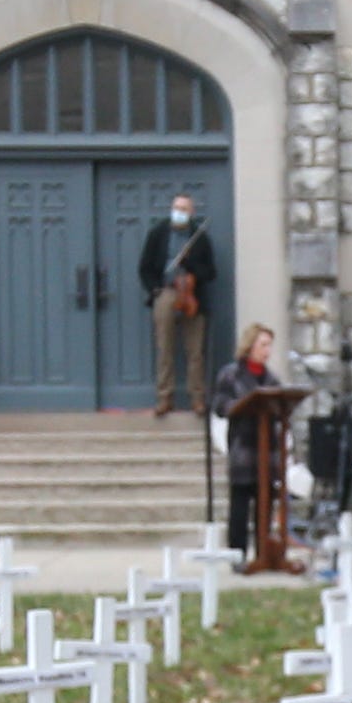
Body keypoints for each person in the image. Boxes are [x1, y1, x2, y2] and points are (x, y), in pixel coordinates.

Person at [137, 190, 218, 416]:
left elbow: (211, 272)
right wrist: (155, 290)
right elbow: (145, 267)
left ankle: (198, 399)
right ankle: (165, 398)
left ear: (191, 212)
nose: (179, 213)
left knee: (195, 351)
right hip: (167, 292)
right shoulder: (158, 233)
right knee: (165, 347)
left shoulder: (199, 237)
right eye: (176, 208)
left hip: (192, 295)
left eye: (184, 209)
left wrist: (191, 266)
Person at [209, 322, 281, 560]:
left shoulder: (271, 379)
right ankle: (237, 555)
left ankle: (263, 553)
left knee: (265, 503)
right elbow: (220, 405)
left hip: (266, 451)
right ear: (250, 345)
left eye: (270, 345)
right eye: (263, 344)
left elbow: (281, 407)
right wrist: (239, 406)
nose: (267, 350)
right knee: (240, 504)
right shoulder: (231, 375)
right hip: (243, 449)